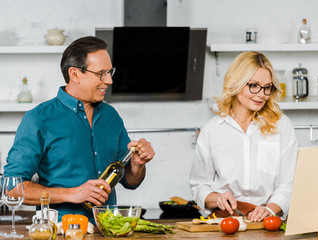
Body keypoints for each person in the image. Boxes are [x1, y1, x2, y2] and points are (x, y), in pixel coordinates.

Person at [4, 36, 155, 223]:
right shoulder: (38, 118)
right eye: (101, 73)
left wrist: (138, 164)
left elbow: (131, 181)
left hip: (107, 229)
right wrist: (72, 194)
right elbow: (12, 189)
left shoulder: (111, 116)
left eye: (110, 72)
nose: (109, 81)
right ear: (74, 74)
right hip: (59, 232)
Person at [189, 51, 298, 222]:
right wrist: (217, 198)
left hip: (268, 222)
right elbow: (199, 185)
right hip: (224, 222)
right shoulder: (212, 130)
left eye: (267, 87)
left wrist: (269, 209)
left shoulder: (281, 126)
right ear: (236, 83)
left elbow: (289, 183)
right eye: (254, 85)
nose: (262, 94)